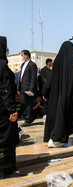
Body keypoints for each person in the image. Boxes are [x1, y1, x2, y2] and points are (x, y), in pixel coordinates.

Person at [42, 41, 73, 148]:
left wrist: (45, 93)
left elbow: (49, 81)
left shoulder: (57, 62)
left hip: (55, 96)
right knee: (65, 117)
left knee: (58, 117)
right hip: (68, 98)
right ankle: (55, 139)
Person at [0, 36, 22, 178]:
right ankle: (4, 169)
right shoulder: (2, 65)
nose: (7, 50)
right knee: (6, 139)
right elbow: (5, 90)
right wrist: (12, 110)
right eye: (5, 47)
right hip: (4, 110)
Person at [18, 50, 37, 127]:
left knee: (29, 104)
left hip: (29, 88)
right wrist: (18, 88)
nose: (22, 57)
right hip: (22, 88)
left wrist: (31, 90)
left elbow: (33, 78)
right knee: (22, 102)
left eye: (22, 55)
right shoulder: (22, 64)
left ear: (26, 55)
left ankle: (27, 120)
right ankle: (32, 116)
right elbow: (21, 77)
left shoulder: (32, 65)